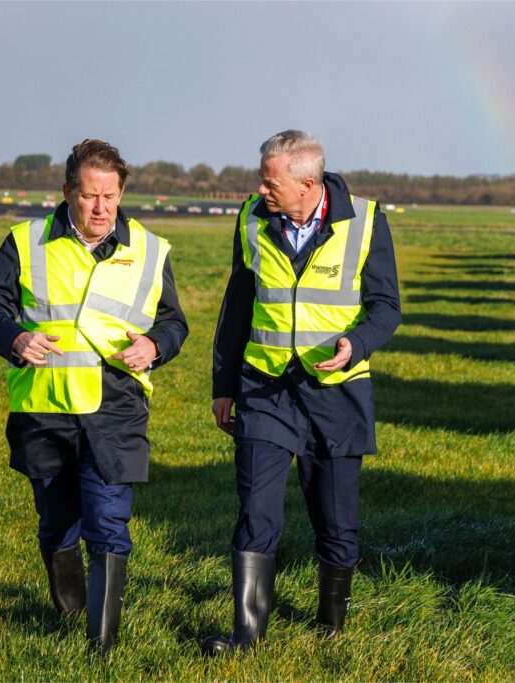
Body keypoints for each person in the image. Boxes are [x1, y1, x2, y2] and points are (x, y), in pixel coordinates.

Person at [0, 139, 188, 655]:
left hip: (115, 406)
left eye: (110, 197)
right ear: (68, 191)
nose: (100, 209)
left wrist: (155, 345)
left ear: (121, 193)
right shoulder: (25, 242)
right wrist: (16, 338)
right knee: (57, 521)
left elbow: (173, 322)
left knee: (108, 520)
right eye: (90, 196)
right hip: (44, 407)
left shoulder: (150, 249)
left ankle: (102, 644)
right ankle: (69, 613)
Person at [203, 130, 400, 654]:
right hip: (265, 390)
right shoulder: (251, 219)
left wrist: (354, 345)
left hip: (336, 396)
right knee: (255, 511)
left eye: (271, 182)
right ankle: (246, 636)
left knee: (336, 519)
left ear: (308, 183)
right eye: (262, 179)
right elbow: (237, 307)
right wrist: (224, 385)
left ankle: (331, 627)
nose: (260, 189)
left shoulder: (365, 220)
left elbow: (387, 307)